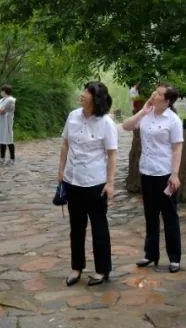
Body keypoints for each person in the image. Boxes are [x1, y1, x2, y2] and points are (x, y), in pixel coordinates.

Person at [58, 81, 118, 287]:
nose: (82, 94)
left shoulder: (106, 123)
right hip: (72, 180)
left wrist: (110, 183)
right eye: (83, 90)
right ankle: (77, 267)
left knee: (99, 227)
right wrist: (61, 174)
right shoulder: (73, 116)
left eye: (86, 92)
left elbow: (111, 155)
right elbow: (65, 144)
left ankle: (102, 270)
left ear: (96, 98)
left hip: (95, 183)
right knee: (76, 226)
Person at [121, 83, 184, 272]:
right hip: (147, 171)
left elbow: (177, 147)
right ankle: (150, 254)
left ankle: (174, 257)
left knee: (169, 216)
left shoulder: (173, 120)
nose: (153, 95)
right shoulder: (146, 115)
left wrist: (174, 174)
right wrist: (142, 111)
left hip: (165, 173)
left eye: (158, 94)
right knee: (150, 215)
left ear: (167, 101)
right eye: (154, 92)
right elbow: (126, 126)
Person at [0, 84, 17, 165]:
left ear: (4, 91)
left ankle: (12, 158)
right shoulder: (1, 100)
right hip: (1, 122)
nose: (1, 92)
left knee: (9, 139)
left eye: (1, 90)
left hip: (7, 122)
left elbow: (1, 110)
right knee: (2, 140)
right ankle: (2, 158)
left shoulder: (10, 100)